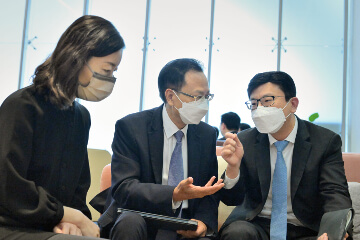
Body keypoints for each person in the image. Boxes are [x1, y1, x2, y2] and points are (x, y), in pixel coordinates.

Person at [0, 15, 125, 239]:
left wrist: (71, 222)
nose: (111, 79)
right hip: (11, 226)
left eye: (114, 72)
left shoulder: (80, 117)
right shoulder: (21, 106)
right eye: (107, 70)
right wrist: (68, 216)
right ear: (77, 58)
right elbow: (9, 187)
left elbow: (77, 189)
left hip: (51, 227)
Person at [97, 58, 224, 240]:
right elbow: (124, 187)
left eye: (207, 96)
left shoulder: (207, 135)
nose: (204, 104)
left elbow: (209, 192)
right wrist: (173, 194)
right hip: (141, 218)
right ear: (171, 96)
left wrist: (203, 222)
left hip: (185, 225)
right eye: (197, 97)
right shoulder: (132, 127)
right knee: (130, 223)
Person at [218, 71, 352, 240]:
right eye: (253, 104)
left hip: (305, 228)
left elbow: (334, 192)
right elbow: (230, 199)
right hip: (257, 224)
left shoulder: (325, 141)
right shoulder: (245, 140)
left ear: (293, 104)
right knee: (237, 233)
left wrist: (335, 230)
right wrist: (233, 168)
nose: (259, 110)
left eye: (267, 101)